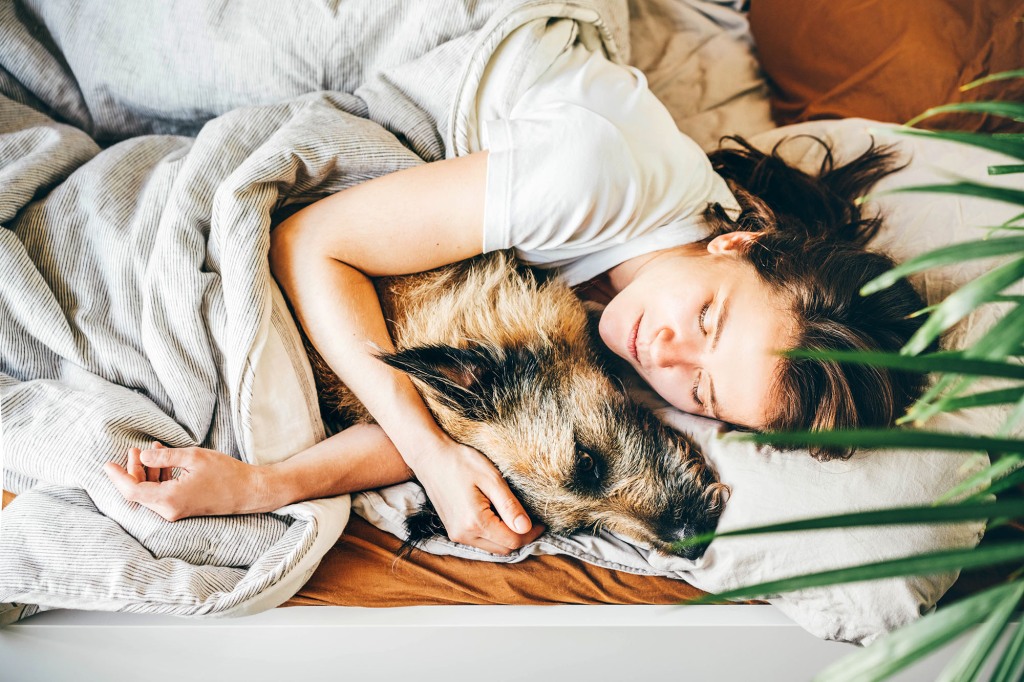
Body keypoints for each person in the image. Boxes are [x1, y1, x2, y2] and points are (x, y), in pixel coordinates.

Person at [104, 19, 927, 555]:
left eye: (704, 390)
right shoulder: (590, 178)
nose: (669, 354)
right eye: (708, 318)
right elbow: (309, 241)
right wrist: (431, 459)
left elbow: (490, 416)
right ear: (739, 243)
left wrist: (264, 485)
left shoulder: (648, 333)